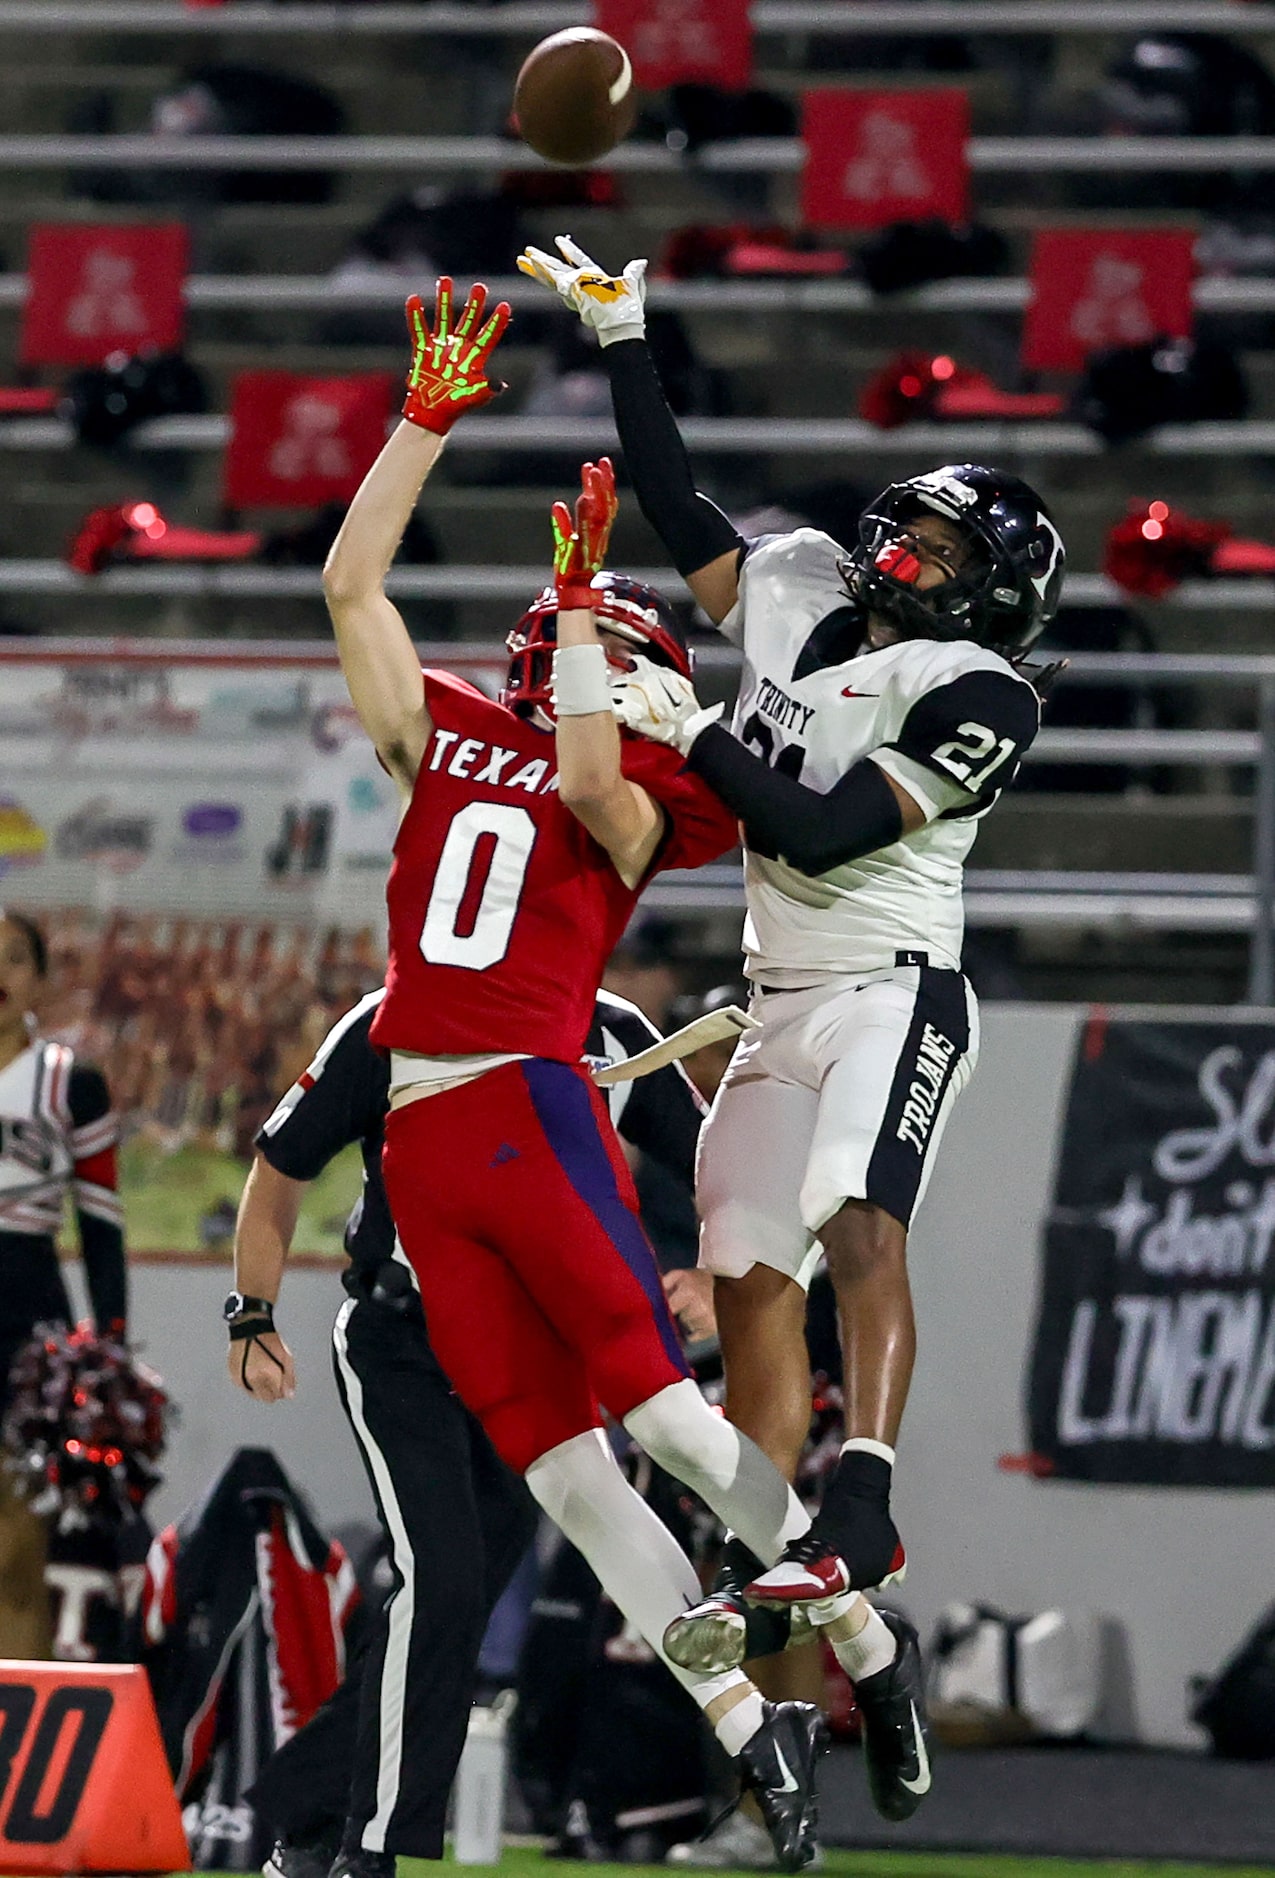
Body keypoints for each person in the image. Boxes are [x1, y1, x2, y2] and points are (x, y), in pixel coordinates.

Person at [319, 275, 879, 1873]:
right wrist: (420, 426)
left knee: (666, 1436)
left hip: (515, 1116)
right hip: (445, 1152)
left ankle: (852, 1611)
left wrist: (576, 628)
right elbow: (355, 591)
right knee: (585, 1480)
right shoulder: (470, 738)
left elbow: (585, 770)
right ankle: (751, 1707)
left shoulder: (629, 791)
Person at [520, 234, 1066, 1825]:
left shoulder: (979, 687)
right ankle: (818, 1666)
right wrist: (625, 336)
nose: (902, 550)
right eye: (909, 525)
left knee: (856, 1225)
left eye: (944, 548)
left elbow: (827, 836)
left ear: (992, 595)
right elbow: (680, 500)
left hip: (891, 982)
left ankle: (868, 1513)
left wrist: (691, 728)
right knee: (748, 1301)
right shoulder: (799, 586)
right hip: (769, 997)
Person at [228, 982, 708, 1878]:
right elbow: (280, 1164)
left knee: (450, 1605)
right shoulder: (389, 1023)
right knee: (440, 1581)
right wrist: (248, 1313)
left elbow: (719, 1158)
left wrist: (715, 1270)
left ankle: (304, 1812)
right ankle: (366, 1852)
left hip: (530, 1358)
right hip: (402, 1338)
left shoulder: (607, 1029)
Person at [0, 909, 127, 1396]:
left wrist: (112, 1346)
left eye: (14, 960)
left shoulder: (73, 1084)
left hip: (30, 1317)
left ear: (39, 980)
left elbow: (100, 1226)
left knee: (24, 1469)